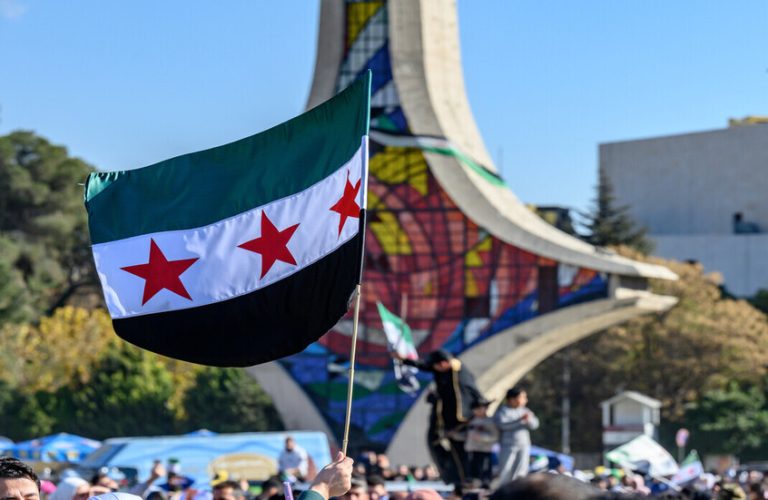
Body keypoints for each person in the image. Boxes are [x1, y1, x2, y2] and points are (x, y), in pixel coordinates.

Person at [397, 349, 483, 488]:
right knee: (436, 444)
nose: (434, 368)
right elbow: (425, 366)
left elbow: (473, 392)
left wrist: (479, 408)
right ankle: (456, 480)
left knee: (463, 454)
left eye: (436, 366)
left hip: (461, 423)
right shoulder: (442, 371)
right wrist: (404, 359)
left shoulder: (460, 375)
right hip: (445, 422)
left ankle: (465, 482)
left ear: (443, 363)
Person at [494, 387, 539, 484]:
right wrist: (520, 421)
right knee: (506, 469)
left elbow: (535, 425)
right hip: (508, 445)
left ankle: (518, 489)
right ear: (512, 399)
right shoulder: (503, 411)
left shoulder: (525, 411)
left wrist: (528, 420)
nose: (525, 400)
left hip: (524, 444)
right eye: (522, 397)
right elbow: (502, 425)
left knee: (521, 469)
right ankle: (504, 489)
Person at [464, 398, 499, 489]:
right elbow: (466, 436)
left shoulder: (490, 422)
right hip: (471, 451)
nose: (478, 411)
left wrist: (480, 436)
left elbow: (494, 436)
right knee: (472, 476)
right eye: (476, 409)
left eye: (481, 408)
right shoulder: (471, 421)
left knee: (484, 475)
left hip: (484, 452)